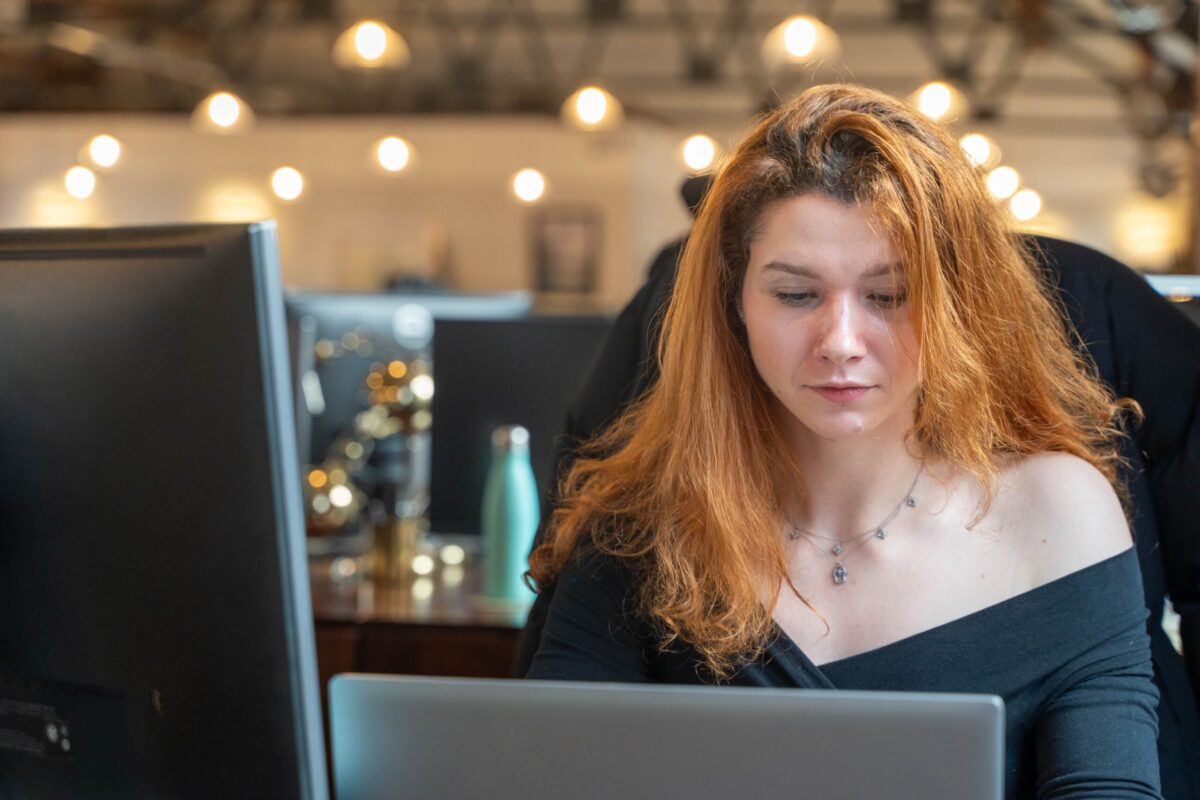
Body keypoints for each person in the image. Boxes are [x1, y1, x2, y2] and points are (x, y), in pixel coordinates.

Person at [522, 84, 1168, 798]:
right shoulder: (642, 526)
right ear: (734, 306)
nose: (840, 343)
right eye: (796, 295)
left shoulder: (1059, 515)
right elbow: (555, 776)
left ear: (961, 305)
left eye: (889, 296)